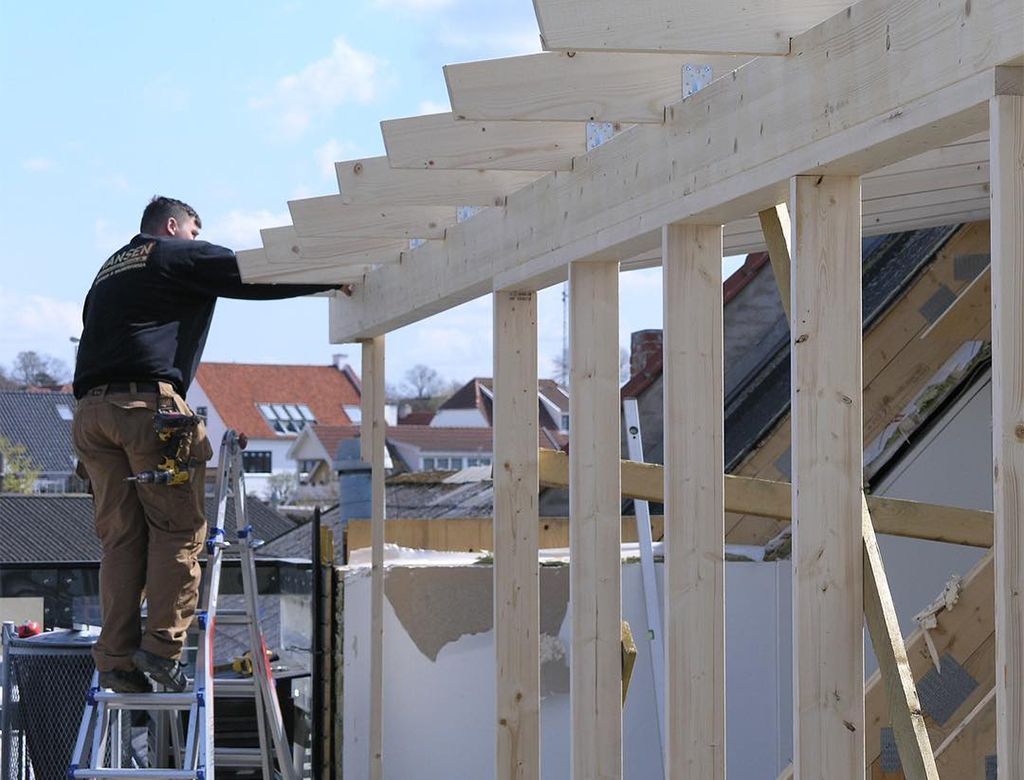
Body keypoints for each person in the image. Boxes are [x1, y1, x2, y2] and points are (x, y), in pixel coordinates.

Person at [72, 196, 340, 693]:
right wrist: (331, 275)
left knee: (122, 538)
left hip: (90, 414)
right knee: (177, 532)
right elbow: (251, 274)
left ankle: (114, 661)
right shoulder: (173, 254)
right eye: (195, 231)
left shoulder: (110, 269)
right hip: (145, 411)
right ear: (173, 226)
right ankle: (160, 649)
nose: (199, 241)